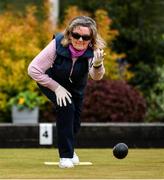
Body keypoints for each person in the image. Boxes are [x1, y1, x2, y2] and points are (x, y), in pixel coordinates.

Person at [28, 16, 106, 168]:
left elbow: (96, 77)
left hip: (76, 87)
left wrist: (97, 64)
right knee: (66, 108)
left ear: (91, 38)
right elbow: (33, 69)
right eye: (76, 35)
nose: (80, 40)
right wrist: (56, 87)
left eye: (85, 37)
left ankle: (70, 150)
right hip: (51, 82)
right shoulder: (56, 45)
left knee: (75, 121)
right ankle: (65, 157)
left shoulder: (94, 52)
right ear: (70, 34)